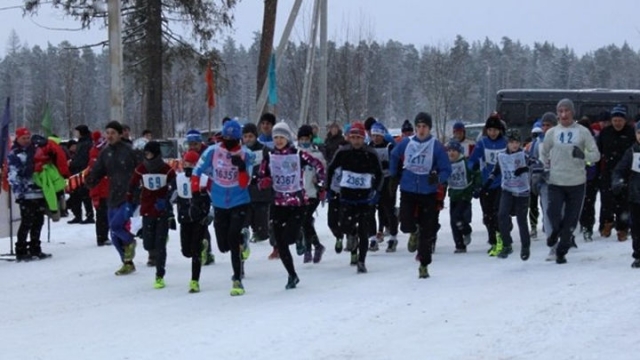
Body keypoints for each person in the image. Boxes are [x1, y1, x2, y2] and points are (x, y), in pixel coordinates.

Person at [257, 121, 325, 288]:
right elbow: (260, 176)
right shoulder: (270, 157)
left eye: (282, 137)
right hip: (278, 203)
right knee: (280, 242)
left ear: (288, 138)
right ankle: (292, 275)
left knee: (290, 237)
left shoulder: (298, 154)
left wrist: (321, 184)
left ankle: (300, 235)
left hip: (297, 203)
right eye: (276, 137)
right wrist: (264, 182)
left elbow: (318, 165)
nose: (279, 141)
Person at [193, 120, 254, 296]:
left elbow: (245, 183)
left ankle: (237, 279)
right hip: (219, 201)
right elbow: (197, 171)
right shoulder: (213, 151)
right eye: (225, 138)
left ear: (238, 139)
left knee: (233, 238)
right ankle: (242, 240)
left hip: (239, 200)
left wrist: (241, 167)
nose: (228, 143)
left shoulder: (246, 154)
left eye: (232, 139)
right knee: (223, 245)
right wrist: (196, 195)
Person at [389, 112, 452, 278]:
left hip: (428, 192)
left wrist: (438, 178)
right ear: (415, 128)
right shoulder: (406, 143)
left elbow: (447, 169)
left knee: (427, 230)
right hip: (408, 188)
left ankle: (424, 265)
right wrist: (394, 174)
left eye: (424, 127)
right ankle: (413, 231)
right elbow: (394, 155)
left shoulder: (436, 146)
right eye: (418, 127)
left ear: (429, 128)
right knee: (405, 224)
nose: (421, 130)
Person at [541, 99, 600, 264]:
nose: (563, 114)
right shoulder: (551, 133)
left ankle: (561, 251)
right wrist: (544, 167)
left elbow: (596, 155)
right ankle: (554, 233)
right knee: (552, 212)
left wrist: (584, 156)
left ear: (573, 113)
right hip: (556, 181)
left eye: (567, 111)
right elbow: (543, 152)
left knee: (571, 221)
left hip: (576, 182)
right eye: (560, 111)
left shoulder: (583, 132)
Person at [327, 121, 383, 272]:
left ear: (363, 138)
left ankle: (362, 261)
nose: (356, 141)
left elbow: (379, 174)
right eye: (353, 137)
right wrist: (328, 189)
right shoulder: (343, 152)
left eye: (359, 137)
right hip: (346, 197)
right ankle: (351, 235)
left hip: (365, 199)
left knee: (364, 230)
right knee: (345, 225)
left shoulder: (370, 153)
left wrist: (376, 192)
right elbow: (330, 169)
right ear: (349, 138)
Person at [86, 121, 140, 275]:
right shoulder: (105, 152)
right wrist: (91, 179)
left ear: (120, 134)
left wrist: (140, 189)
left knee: (117, 226)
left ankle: (130, 241)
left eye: (113, 133)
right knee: (113, 233)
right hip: (113, 195)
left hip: (129, 195)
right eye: (107, 133)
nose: (109, 136)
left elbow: (142, 169)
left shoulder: (130, 150)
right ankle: (127, 262)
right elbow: (98, 170)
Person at [128, 141, 176, 289]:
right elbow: (132, 185)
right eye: (145, 153)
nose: (147, 156)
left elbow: (175, 187)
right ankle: (153, 248)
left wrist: (167, 199)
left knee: (160, 245)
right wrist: (130, 200)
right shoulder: (141, 169)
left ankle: (159, 275)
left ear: (155, 154)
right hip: (147, 209)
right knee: (148, 242)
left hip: (162, 210)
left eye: (149, 153)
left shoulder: (166, 169)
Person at [486, 128, 531, 260]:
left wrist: (524, 168)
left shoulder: (524, 155)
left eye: (517, 142)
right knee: (502, 215)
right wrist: (487, 184)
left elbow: (536, 164)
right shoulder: (502, 156)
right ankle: (507, 244)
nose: (514, 145)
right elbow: (495, 171)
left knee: (522, 220)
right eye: (511, 142)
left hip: (522, 191)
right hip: (507, 189)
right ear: (507, 143)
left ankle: (525, 246)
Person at [7, 128, 51, 261]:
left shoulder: (36, 150)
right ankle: (21, 250)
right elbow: (13, 175)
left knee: (39, 221)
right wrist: (19, 192)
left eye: (28, 138)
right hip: (26, 194)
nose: (26, 140)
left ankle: (35, 248)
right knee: (26, 222)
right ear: (18, 139)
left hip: (39, 192)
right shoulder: (14, 153)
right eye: (23, 138)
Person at [468, 114, 507, 256]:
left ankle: (501, 239)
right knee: (487, 214)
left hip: (502, 184)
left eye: (495, 130)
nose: (493, 133)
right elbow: (472, 160)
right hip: (486, 184)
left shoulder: (505, 143)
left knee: (498, 213)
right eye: (490, 130)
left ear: (500, 130)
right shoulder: (482, 143)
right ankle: (493, 240)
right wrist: (472, 168)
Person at [597, 104, 635, 241]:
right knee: (606, 200)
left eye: (620, 120)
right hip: (607, 170)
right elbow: (598, 151)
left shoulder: (631, 132)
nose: (617, 123)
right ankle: (606, 223)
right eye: (615, 120)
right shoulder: (605, 133)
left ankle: (623, 228)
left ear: (625, 120)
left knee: (623, 202)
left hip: (626, 172)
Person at [297, 125, 327, 263]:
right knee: (305, 222)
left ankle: (313, 247)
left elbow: (323, 172)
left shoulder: (317, 155)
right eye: (301, 138)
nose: (304, 141)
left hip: (313, 192)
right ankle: (312, 247)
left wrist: (320, 181)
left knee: (305, 219)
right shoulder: (295, 154)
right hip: (299, 193)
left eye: (306, 138)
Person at [184, 129, 215, 265]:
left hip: (206, 190)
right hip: (193, 193)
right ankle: (202, 250)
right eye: (190, 144)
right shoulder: (188, 155)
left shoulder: (207, 154)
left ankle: (206, 252)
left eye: (195, 144)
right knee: (195, 224)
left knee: (203, 223)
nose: (192, 147)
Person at [611, 122, 640, 268]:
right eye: (639, 133)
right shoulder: (632, 151)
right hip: (636, 195)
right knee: (636, 227)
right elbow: (620, 169)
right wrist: (617, 181)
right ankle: (638, 254)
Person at [368, 122, 399, 252]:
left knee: (389, 210)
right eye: (373, 135)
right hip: (373, 182)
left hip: (387, 181)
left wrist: (390, 170)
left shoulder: (389, 146)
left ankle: (393, 237)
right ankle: (373, 238)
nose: (375, 138)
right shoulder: (368, 147)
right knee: (370, 211)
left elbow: (395, 163)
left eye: (378, 135)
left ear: (382, 135)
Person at [445, 140, 479, 253]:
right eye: (449, 150)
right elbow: (443, 178)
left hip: (465, 194)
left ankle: (467, 230)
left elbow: (476, 173)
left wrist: (477, 186)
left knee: (457, 217)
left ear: (459, 151)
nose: (451, 153)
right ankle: (459, 245)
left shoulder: (465, 162)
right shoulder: (446, 164)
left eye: (454, 150)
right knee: (453, 221)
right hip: (453, 194)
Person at [242, 123, 272, 245]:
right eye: (245, 136)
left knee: (261, 227)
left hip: (261, 194)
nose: (248, 139)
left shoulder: (264, 150)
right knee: (245, 219)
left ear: (255, 136)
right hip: (245, 192)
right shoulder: (240, 151)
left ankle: (260, 233)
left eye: (250, 136)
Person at [87, 131, 111, 246]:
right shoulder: (96, 156)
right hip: (100, 190)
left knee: (104, 215)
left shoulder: (97, 154)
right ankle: (102, 237)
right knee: (102, 215)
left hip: (104, 189)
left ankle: (103, 236)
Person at [68, 124, 95, 224]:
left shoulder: (85, 143)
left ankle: (88, 215)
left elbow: (82, 159)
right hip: (80, 171)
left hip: (82, 172)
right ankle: (80, 215)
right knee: (78, 195)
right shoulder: (83, 142)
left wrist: (72, 163)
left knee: (83, 194)